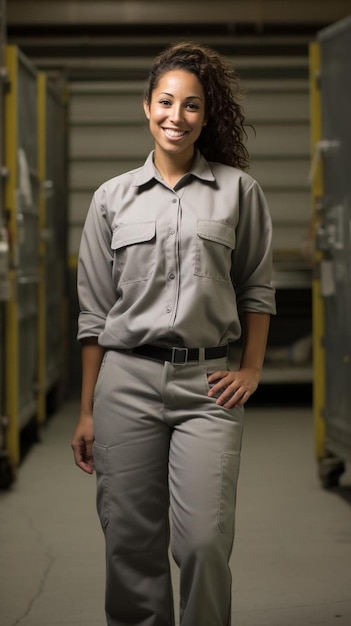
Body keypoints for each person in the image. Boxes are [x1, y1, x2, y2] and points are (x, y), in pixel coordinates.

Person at [71, 41, 276, 626]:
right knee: (130, 545)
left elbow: (257, 291)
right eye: (165, 102)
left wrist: (252, 368)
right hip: (125, 383)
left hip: (206, 387)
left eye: (191, 106)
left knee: (205, 543)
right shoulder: (110, 199)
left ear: (206, 116)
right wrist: (87, 410)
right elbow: (94, 316)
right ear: (146, 107)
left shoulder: (240, 193)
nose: (176, 116)